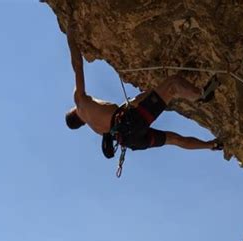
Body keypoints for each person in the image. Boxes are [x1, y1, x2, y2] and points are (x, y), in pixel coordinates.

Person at [65, 25, 222, 160]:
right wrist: (71, 36)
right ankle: (200, 96)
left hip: (132, 140)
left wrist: (148, 94)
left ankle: (211, 145)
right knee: (173, 84)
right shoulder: (80, 101)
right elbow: (77, 66)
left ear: (82, 124)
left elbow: (128, 107)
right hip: (132, 122)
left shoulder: (97, 127)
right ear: (73, 111)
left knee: (175, 139)